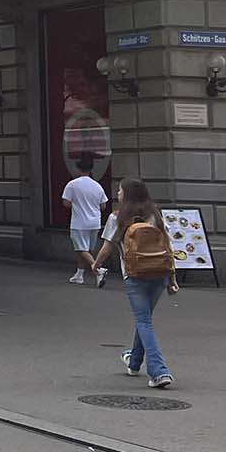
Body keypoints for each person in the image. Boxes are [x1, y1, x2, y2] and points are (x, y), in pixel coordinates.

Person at [106, 178, 177, 387]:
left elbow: (107, 246)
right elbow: (168, 245)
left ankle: (159, 371)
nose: (118, 194)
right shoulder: (155, 214)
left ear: (127, 194)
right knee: (144, 318)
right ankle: (134, 361)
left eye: (120, 191)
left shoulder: (117, 217)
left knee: (144, 321)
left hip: (135, 274)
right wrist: (172, 277)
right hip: (159, 273)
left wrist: (95, 264)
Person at [62, 155, 108, 284]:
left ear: (78, 169)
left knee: (80, 249)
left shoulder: (72, 185)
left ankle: (98, 269)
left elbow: (66, 203)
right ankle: (79, 274)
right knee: (86, 250)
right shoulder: (97, 186)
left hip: (79, 222)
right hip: (95, 222)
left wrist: (78, 205)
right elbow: (103, 206)